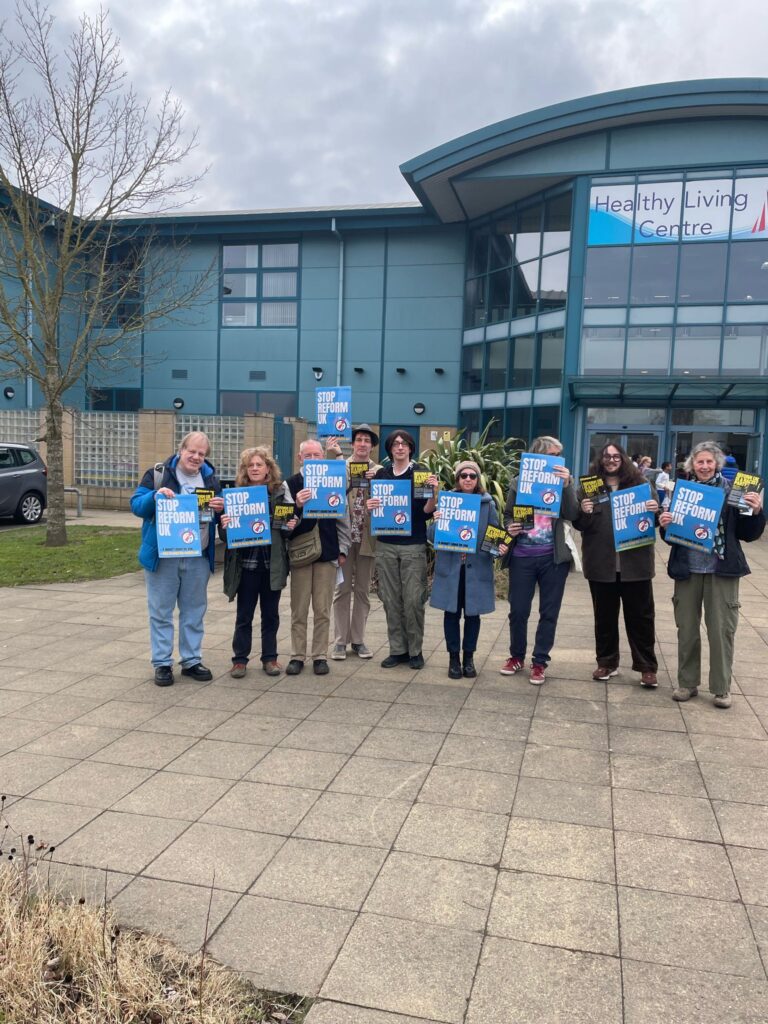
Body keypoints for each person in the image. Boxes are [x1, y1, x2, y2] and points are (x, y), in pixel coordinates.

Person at [659, 441, 764, 708]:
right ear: (691, 465)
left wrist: (757, 511)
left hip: (721, 570)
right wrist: (665, 525)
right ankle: (687, 683)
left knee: (721, 632)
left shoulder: (735, 491)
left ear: (716, 464)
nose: (704, 466)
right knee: (687, 631)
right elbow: (671, 538)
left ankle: (721, 688)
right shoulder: (682, 492)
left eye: (708, 461)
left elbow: (748, 534)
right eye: (699, 461)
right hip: (687, 569)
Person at [131, 431, 224, 686]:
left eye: (201, 454)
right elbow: (137, 505)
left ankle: (191, 660)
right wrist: (154, 496)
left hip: (197, 556)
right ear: (181, 449)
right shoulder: (158, 474)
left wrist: (221, 508)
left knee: (194, 611)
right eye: (191, 451)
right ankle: (162, 663)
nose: (196, 457)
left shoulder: (211, 480)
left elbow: (220, 518)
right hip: (165, 556)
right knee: (161, 611)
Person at [572, 441, 660, 687]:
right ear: (600, 460)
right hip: (601, 565)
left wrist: (655, 510)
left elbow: (654, 521)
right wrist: (584, 511)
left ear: (623, 459)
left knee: (641, 619)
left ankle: (647, 667)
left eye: (616, 456)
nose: (611, 460)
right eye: (606, 456)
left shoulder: (641, 485)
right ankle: (606, 663)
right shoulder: (589, 487)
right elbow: (581, 525)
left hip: (636, 565)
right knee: (604, 618)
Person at [501, 435, 579, 685]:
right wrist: (510, 527)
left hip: (552, 558)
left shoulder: (564, 481)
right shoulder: (518, 482)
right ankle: (516, 656)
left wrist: (566, 485)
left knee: (549, 612)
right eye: (553, 455)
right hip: (522, 557)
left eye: (559, 455)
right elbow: (508, 515)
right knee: (518, 611)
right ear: (538, 455)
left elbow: (573, 514)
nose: (557, 460)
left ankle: (539, 661)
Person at [221, 447, 296, 679]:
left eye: (259, 465)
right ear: (245, 470)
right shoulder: (235, 495)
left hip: (271, 564)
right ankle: (240, 660)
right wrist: (224, 526)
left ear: (268, 469)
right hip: (246, 566)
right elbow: (226, 538)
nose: (254, 468)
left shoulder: (280, 493)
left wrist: (289, 527)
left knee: (271, 615)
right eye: (250, 465)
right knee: (244, 615)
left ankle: (270, 659)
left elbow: (286, 530)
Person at [367, 430, 437, 669]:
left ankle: (415, 650)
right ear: (389, 449)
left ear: (410, 448)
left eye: (404, 444)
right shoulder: (381, 476)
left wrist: (433, 493)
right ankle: (397, 649)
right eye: (395, 444)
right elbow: (374, 509)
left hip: (413, 544)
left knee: (413, 600)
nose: (399, 447)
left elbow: (427, 511)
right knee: (390, 599)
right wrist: (370, 504)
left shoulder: (419, 474)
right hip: (386, 544)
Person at [430, 461, 506, 679]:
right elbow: (432, 537)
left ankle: (469, 658)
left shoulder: (487, 504)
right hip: (452, 569)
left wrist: (499, 547)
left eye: (472, 476)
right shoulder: (446, 502)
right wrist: (436, 522)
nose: (468, 479)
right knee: (451, 614)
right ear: (457, 478)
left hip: (477, 568)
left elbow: (495, 534)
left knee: (473, 616)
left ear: (478, 479)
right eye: (463, 475)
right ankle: (453, 658)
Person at [285, 438, 350, 676]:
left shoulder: (333, 480)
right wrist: (298, 507)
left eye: (316, 454)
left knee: (322, 609)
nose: (312, 459)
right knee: (299, 609)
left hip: (328, 553)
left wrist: (343, 549)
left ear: (323, 456)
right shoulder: (290, 484)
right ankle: (297, 655)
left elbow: (343, 518)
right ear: (300, 458)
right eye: (308, 455)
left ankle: (320, 655)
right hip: (301, 554)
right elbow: (283, 524)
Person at [331, 424, 382, 661]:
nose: (362, 444)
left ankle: (358, 640)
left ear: (372, 446)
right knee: (341, 590)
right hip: (343, 538)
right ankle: (340, 641)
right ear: (353, 444)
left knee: (362, 591)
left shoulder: (380, 471)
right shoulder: (340, 466)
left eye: (367, 441)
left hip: (367, 539)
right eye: (359, 440)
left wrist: (377, 482)